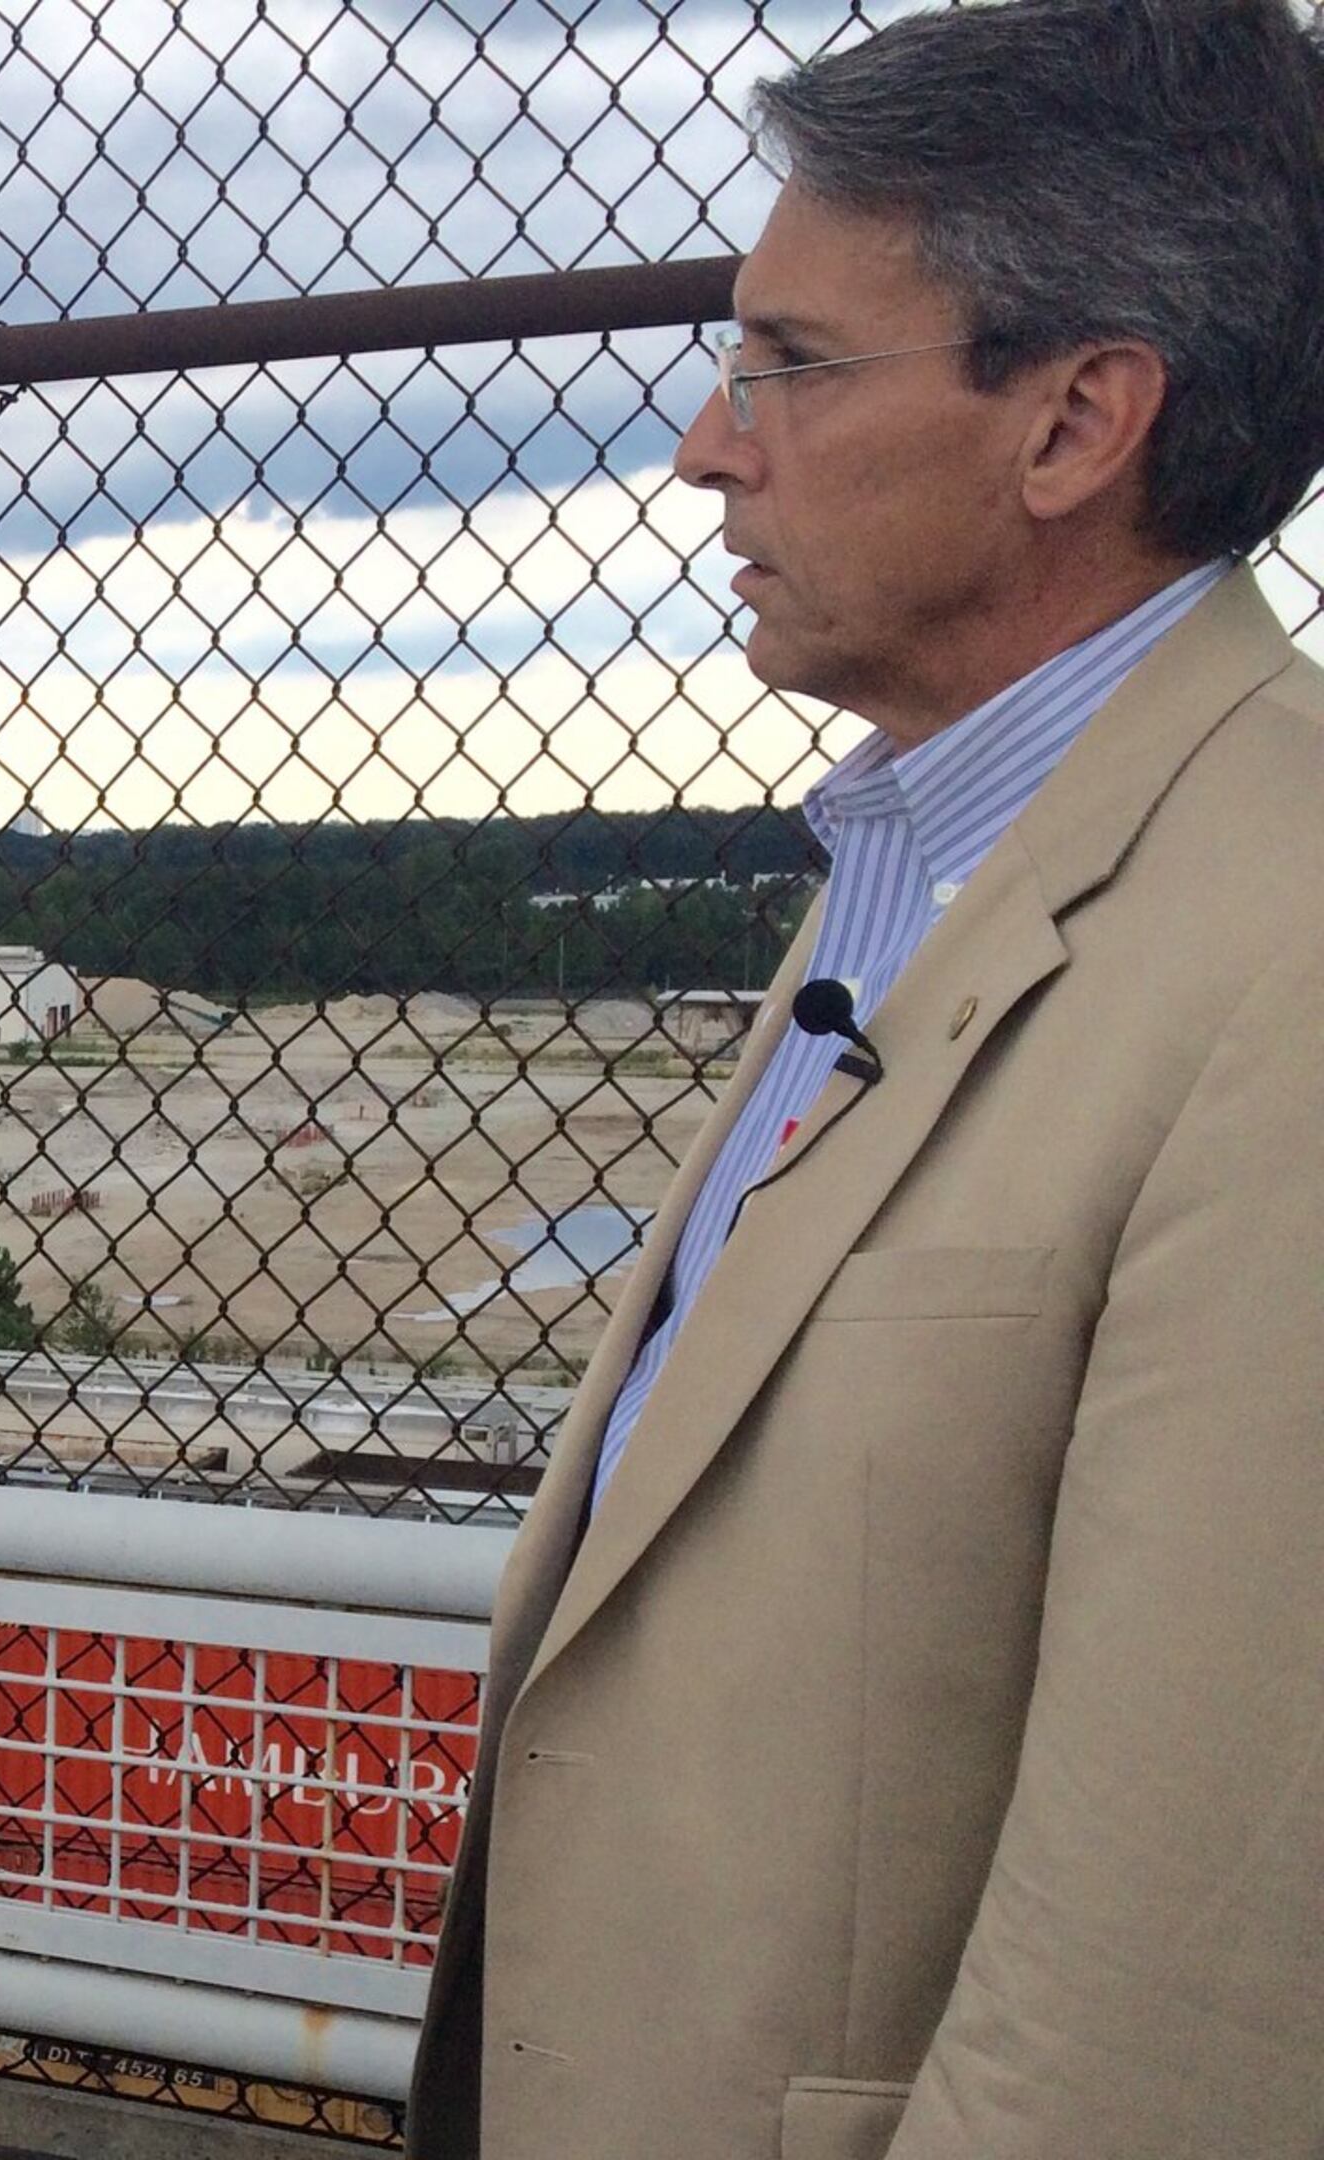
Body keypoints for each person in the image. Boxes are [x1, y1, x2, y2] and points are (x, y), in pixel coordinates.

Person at [407, 3, 1324, 2154]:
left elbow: (1170, 1995)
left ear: (1080, 419)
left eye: (792, 365)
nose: (710, 449)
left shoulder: (1285, 952)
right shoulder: (918, 860)